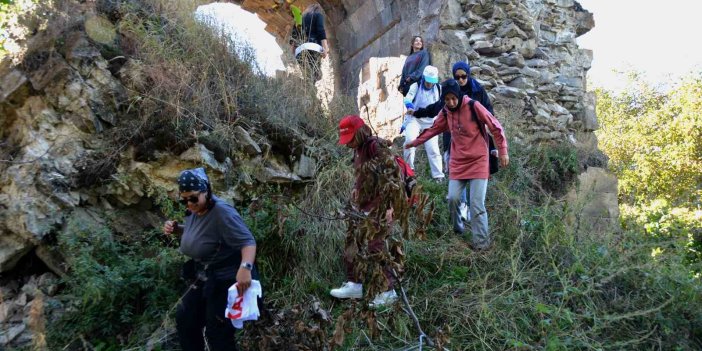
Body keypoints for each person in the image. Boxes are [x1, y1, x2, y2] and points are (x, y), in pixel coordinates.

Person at [405, 80, 509, 250]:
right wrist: (415, 142)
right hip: (458, 162)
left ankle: (481, 245)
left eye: (454, 98)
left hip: (479, 161)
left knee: (476, 204)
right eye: (447, 99)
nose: (451, 102)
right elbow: (433, 129)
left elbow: (495, 126)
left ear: (459, 96)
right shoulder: (446, 112)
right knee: (453, 199)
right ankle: (458, 230)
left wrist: (503, 150)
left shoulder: (474, 106)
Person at [163, 167, 258, 351]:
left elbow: (248, 242)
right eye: (183, 199)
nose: (188, 203)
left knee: (218, 332)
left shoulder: (222, 212)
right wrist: (178, 229)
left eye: (193, 198)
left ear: (206, 190)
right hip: (203, 275)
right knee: (186, 320)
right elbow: (203, 234)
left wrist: (245, 268)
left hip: (225, 279)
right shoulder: (195, 210)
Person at [410, 61, 496, 222]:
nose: (461, 80)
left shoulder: (477, 91)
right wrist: (417, 112)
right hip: (453, 139)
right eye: (457, 77)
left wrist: (488, 133)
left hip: (475, 140)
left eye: (464, 76)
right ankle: (462, 205)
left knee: (477, 178)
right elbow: (436, 108)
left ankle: (473, 207)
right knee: (454, 169)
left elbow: (489, 113)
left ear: (468, 75)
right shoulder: (450, 93)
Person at [330, 115, 402, 307]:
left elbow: (394, 178)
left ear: (360, 132)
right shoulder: (358, 149)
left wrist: (390, 207)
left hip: (381, 206)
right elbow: (362, 174)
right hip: (363, 206)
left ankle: (388, 291)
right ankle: (354, 284)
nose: (348, 144)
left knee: (376, 247)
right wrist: (356, 187)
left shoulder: (376, 147)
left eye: (351, 139)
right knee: (352, 240)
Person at [401, 65, 444, 182]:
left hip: (430, 121)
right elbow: (408, 98)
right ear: (424, 78)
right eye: (428, 81)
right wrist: (409, 107)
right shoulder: (416, 86)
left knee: (433, 149)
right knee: (410, 140)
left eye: (432, 82)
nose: (430, 84)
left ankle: (438, 176)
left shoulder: (439, 89)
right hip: (414, 118)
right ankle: (409, 171)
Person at [297, 3, 330, 81]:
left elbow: (295, 35)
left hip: (300, 50)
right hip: (313, 47)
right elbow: (320, 30)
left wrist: (294, 52)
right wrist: (325, 48)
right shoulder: (318, 15)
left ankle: (308, 89)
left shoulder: (301, 18)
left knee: (307, 77)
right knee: (316, 75)